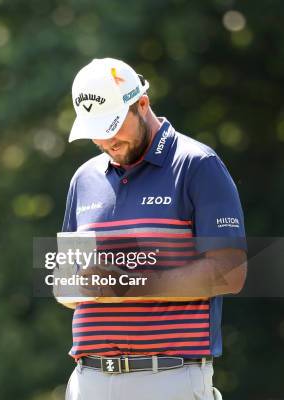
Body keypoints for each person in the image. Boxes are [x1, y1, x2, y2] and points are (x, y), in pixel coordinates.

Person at [59, 58, 246, 400]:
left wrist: (129, 282)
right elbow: (65, 283)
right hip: (89, 379)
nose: (105, 141)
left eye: (113, 126)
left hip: (168, 376)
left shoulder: (197, 165)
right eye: (95, 131)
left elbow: (231, 272)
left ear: (142, 104)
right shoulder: (84, 178)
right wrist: (82, 282)